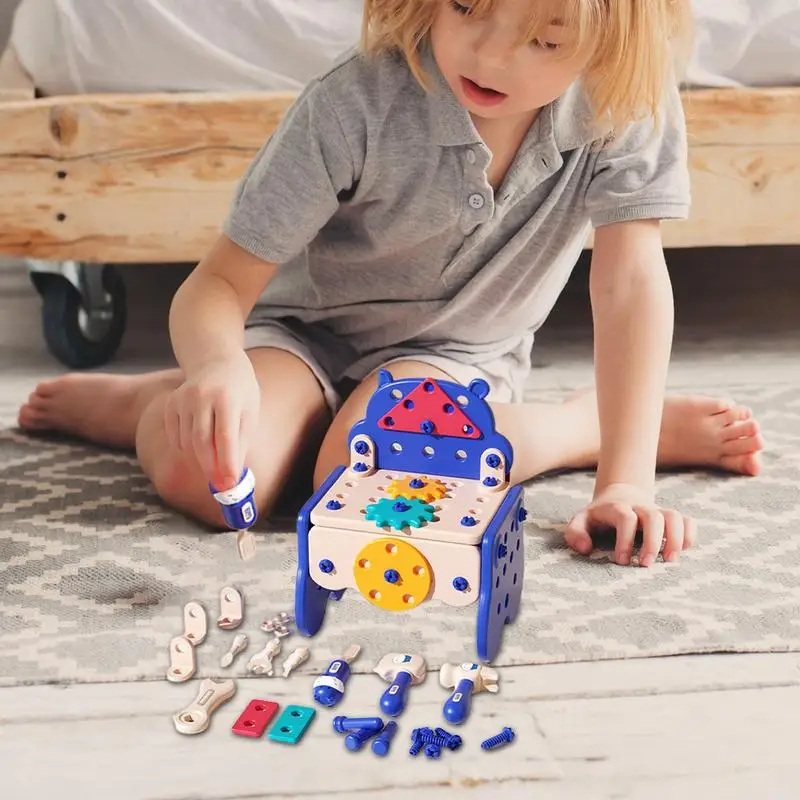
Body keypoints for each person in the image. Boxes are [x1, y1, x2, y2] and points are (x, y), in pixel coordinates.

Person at [19, 0, 764, 568]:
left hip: (457, 357)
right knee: (212, 483)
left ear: (611, 39)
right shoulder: (354, 103)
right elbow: (215, 286)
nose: (491, 57)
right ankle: (146, 399)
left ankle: (585, 427)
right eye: (467, 4)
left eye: (546, 37)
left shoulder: (626, 102)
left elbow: (630, 283)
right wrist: (217, 369)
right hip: (302, 336)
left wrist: (626, 480)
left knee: (378, 491)